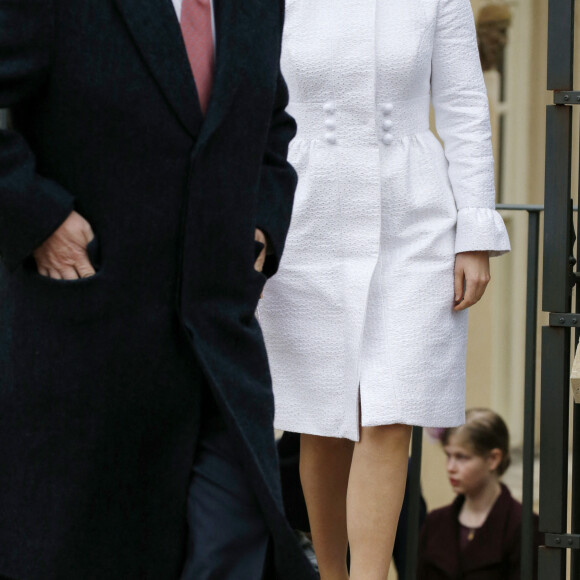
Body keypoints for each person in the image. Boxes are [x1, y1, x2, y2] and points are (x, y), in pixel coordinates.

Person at [0, 1, 317, 579]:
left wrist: (264, 226)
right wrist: (35, 217)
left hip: (218, 351)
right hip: (89, 340)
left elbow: (270, 121)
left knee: (237, 538)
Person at [258, 0, 511, 578]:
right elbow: (252, 100)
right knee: (322, 419)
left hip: (415, 218)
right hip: (307, 211)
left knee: (392, 411)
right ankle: (332, 573)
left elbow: (464, 107)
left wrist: (473, 230)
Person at [418, 409, 542, 579]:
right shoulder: (435, 523)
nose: (450, 467)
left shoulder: (524, 527)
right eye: (448, 455)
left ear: (493, 459)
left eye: (461, 457)